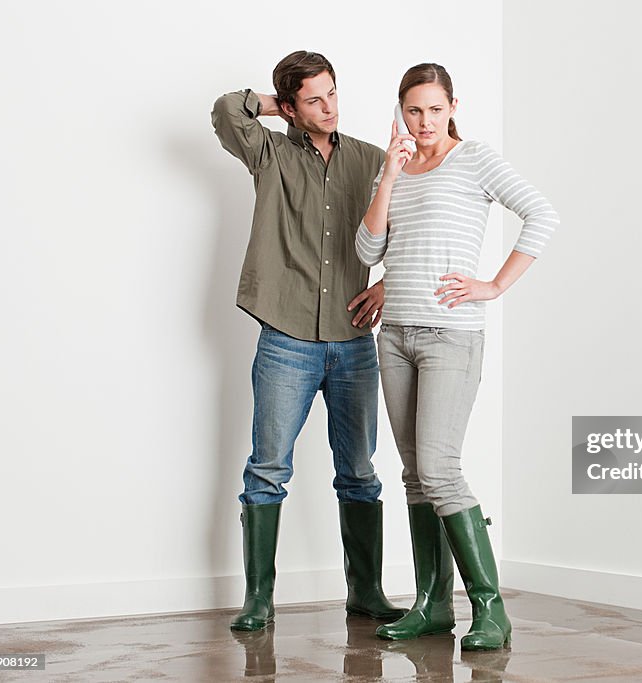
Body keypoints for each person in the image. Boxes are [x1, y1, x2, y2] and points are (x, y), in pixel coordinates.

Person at [355, 63, 560, 650]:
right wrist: (390, 176)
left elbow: (541, 214)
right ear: (401, 111)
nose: (424, 122)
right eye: (413, 110)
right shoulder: (393, 168)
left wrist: (493, 285)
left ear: (452, 107)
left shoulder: (475, 160)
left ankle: (490, 610)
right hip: (394, 336)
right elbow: (369, 250)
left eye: (435, 109)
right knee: (416, 475)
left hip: (451, 335)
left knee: (440, 468)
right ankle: (431, 604)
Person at [211, 50, 405, 632]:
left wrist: (390, 284)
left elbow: (416, 226)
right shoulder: (268, 151)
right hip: (285, 335)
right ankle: (259, 600)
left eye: (332, 93)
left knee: (360, 470)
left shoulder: (371, 160)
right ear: (293, 107)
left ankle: (366, 593)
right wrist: (280, 108)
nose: (329, 107)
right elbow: (226, 112)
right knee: (267, 468)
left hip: (352, 340)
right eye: (314, 99)